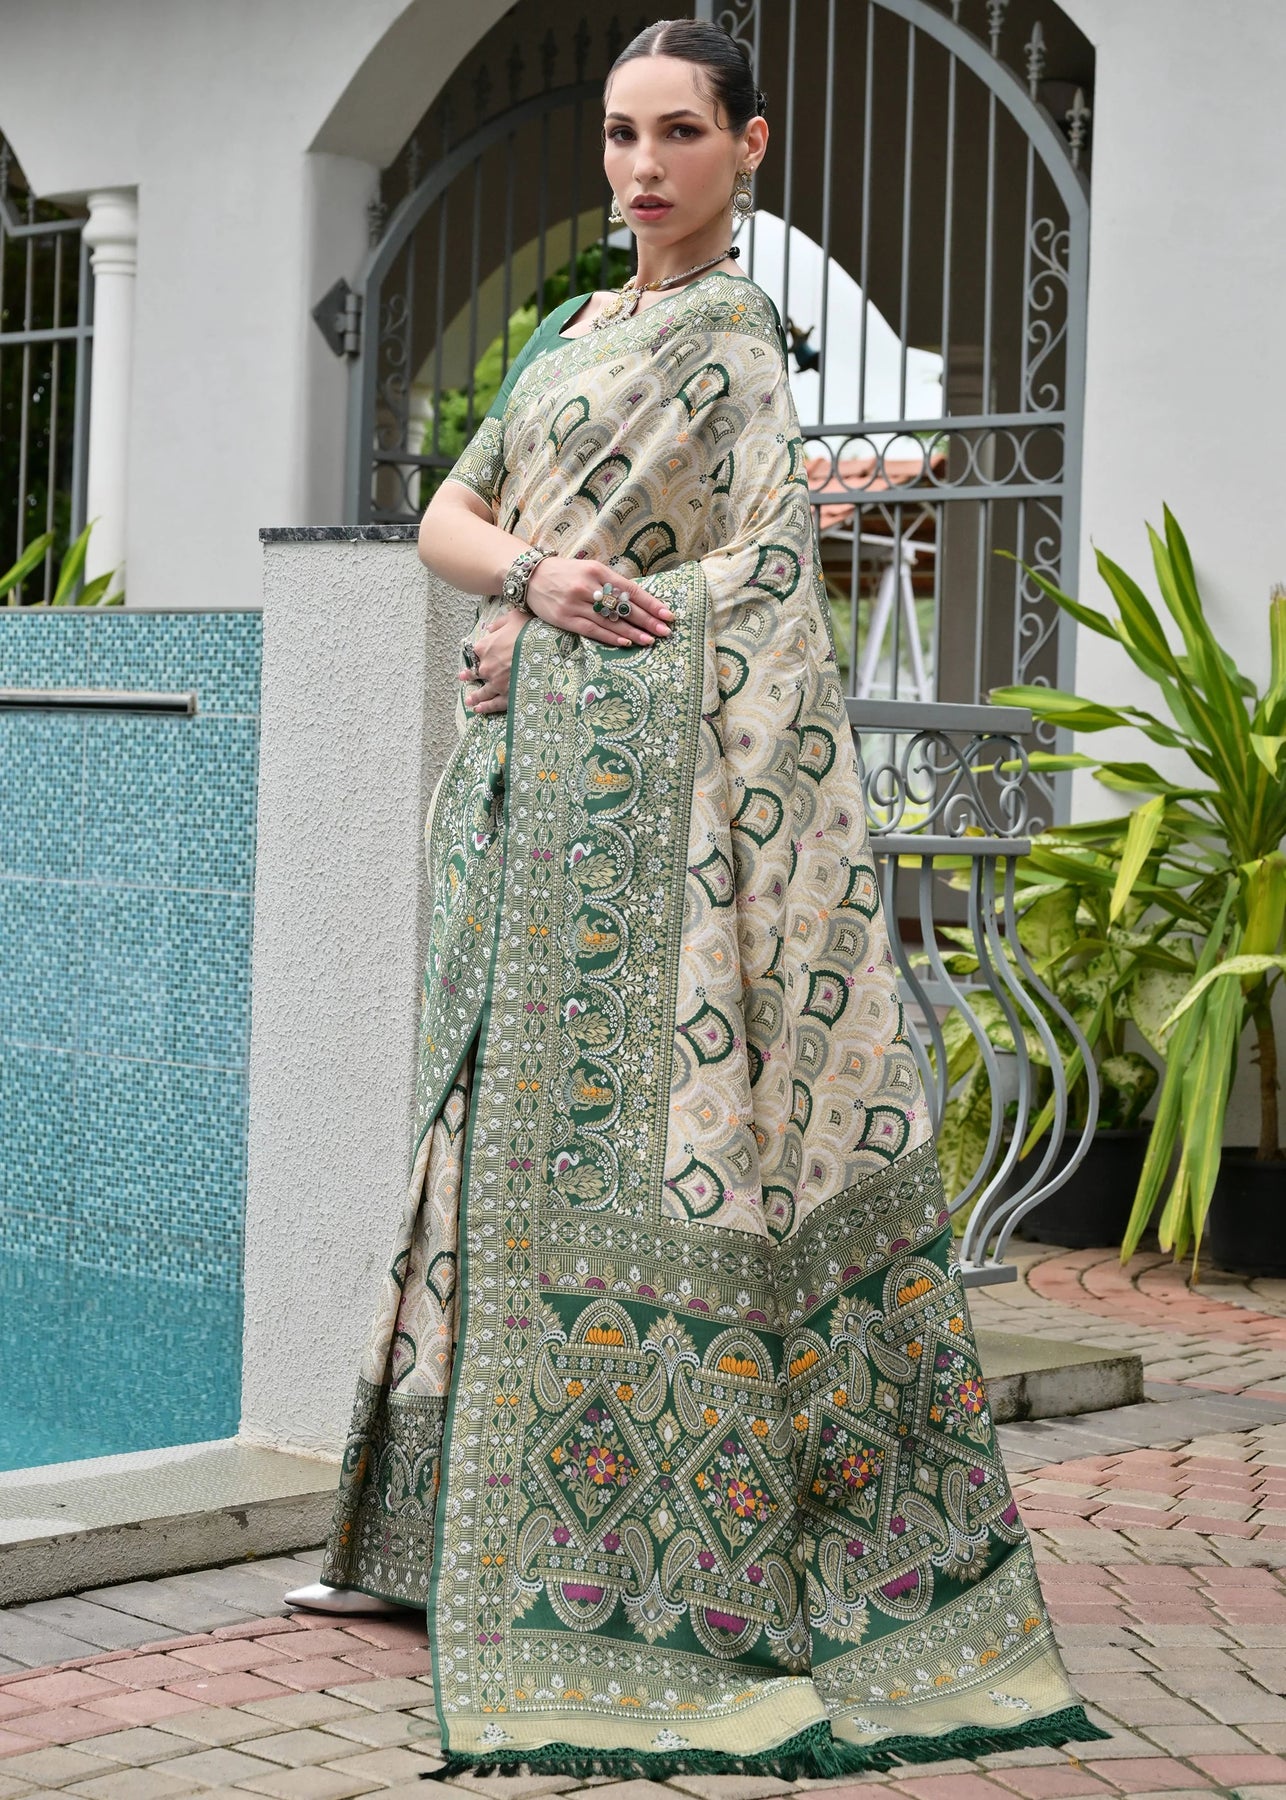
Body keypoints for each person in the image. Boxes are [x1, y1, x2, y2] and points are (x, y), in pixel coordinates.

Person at [286, 18, 1103, 1780]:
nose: (641, 167)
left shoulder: (730, 338)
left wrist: (553, 637)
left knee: (647, 1151)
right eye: (618, 134)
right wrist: (534, 584)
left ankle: (640, 1550)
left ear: (748, 147)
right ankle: (430, 1536)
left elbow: (766, 582)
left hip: (648, 826)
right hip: (515, 799)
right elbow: (446, 516)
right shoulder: (572, 330)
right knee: (471, 1131)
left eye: (676, 133)